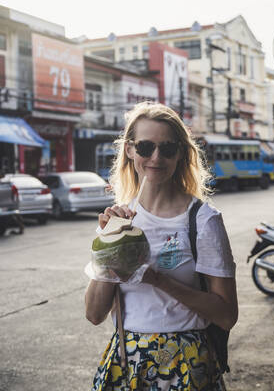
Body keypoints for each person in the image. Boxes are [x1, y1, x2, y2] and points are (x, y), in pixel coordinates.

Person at [85, 101, 238, 391]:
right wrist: (108, 250)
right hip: (128, 359)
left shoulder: (203, 221)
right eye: (145, 147)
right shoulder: (118, 222)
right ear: (129, 150)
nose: (156, 157)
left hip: (186, 361)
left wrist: (156, 279)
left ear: (180, 154)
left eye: (167, 148)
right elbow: (94, 314)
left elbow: (227, 315)